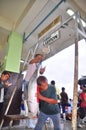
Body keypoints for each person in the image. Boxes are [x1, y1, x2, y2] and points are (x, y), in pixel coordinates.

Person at [23, 54, 45, 128]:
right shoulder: (32, 61)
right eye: (38, 57)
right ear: (35, 57)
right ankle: (29, 122)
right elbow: (35, 61)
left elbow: (40, 73)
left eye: (40, 57)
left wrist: (42, 71)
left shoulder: (39, 64)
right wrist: (40, 59)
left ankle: (30, 121)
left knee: (33, 101)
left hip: (34, 84)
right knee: (28, 101)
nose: (39, 58)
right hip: (27, 82)